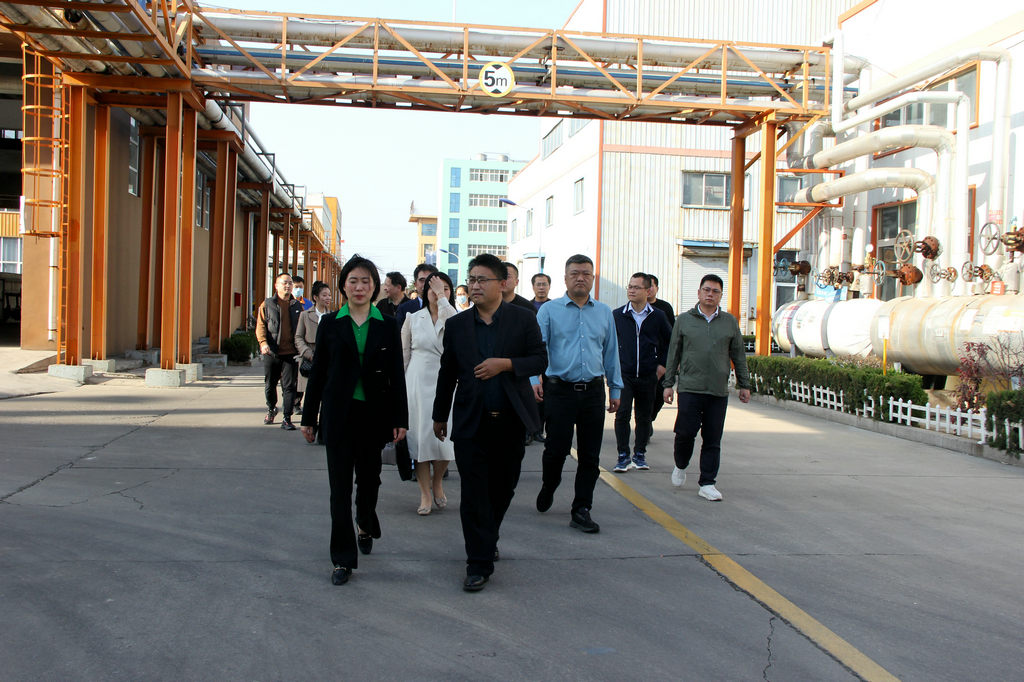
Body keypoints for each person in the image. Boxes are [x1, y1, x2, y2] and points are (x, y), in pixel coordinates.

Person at [433, 253, 547, 592]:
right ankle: (478, 563)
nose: (475, 285)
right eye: (472, 279)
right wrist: (439, 415)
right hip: (472, 422)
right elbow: (448, 373)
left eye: (483, 279)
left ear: (502, 283)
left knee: (502, 488)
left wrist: (505, 364)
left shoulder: (523, 318)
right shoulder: (458, 325)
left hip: (511, 421)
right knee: (473, 494)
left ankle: (488, 536)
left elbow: (540, 359)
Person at [300, 255, 409, 586]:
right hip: (339, 415)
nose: (359, 287)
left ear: (375, 287)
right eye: (353, 281)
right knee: (339, 490)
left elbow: (396, 376)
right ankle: (342, 559)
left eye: (366, 281)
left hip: (374, 416)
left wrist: (400, 418)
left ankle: (364, 519)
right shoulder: (331, 324)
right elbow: (319, 373)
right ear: (343, 286)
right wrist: (309, 417)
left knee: (370, 480)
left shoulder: (387, 324)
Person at [533, 254, 622, 534]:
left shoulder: (604, 312)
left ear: (593, 278)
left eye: (586, 273)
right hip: (559, 391)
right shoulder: (549, 311)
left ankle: (581, 508)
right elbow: (536, 348)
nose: (580, 278)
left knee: (590, 455)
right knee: (556, 450)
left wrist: (615, 388)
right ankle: (549, 485)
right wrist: (535, 378)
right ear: (565, 278)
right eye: (575, 273)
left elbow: (611, 352)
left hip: (593, 392)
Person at [661, 274, 751, 502]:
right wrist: (668, 384)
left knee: (712, 438)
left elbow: (739, 355)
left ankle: (708, 483)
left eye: (715, 291)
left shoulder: (729, 322)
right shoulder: (684, 320)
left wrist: (744, 384)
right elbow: (673, 354)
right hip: (690, 388)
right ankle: (681, 464)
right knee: (685, 434)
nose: (710, 294)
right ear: (699, 293)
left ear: (720, 296)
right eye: (707, 290)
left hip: (717, 391)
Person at [402, 271, 457, 515]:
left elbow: (458, 331)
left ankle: (438, 482)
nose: (437, 292)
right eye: (433, 288)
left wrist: (442, 299)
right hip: (417, 381)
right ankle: (425, 493)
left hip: (447, 381)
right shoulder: (412, 318)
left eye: (444, 288)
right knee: (421, 440)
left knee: (445, 441)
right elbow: (404, 356)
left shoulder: (454, 317)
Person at [612, 273, 673, 473]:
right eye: (630, 286)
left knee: (644, 416)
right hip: (624, 374)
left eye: (637, 287)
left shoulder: (657, 316)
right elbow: (609, 343)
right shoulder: (617, 315)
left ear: (648, 291)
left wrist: (662, 364)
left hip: (648, 374)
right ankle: (623, 456)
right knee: (622, 414)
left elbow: (671, 341)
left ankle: (640, 454)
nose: (632, 290)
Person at [255, 272, 303, 430]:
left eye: (290, 283)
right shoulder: (267, 304)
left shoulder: (297, 306)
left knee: (289, 387)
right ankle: (271, 409)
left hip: (291, 354)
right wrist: (263, 343)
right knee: (270, 384)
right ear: (276, 285)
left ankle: (287, 418)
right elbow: (261, 326)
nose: (288, 286)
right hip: (272, 352)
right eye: (284, 283)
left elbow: (302, 329)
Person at [294, 280, 332, 443]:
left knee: (326, 397)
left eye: (329, 295)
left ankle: (323, 431)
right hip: (311, 360)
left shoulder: (333, 316)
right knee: (312, 395)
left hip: (328, 362)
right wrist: (308, 353)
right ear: (315, 297)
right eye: (324, 295)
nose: (328, 298)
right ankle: (310, 426)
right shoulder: (305, 315)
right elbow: (298, 337)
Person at [647, 274, 676, 423]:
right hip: (641, 361)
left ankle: (649, 420)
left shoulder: (665, 308)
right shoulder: (633, 307)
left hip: (661, 359)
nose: (648, 289)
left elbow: (673, 336)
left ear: (656, 288)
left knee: (659, 395)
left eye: (651, 286)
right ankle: (644, 424)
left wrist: (667, 362)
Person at [396, 263, 439, 330]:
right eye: (422, 280)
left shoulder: (444, 307)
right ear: (415, 284)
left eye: (430, 280)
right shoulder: (404, 309)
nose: (426, 284)